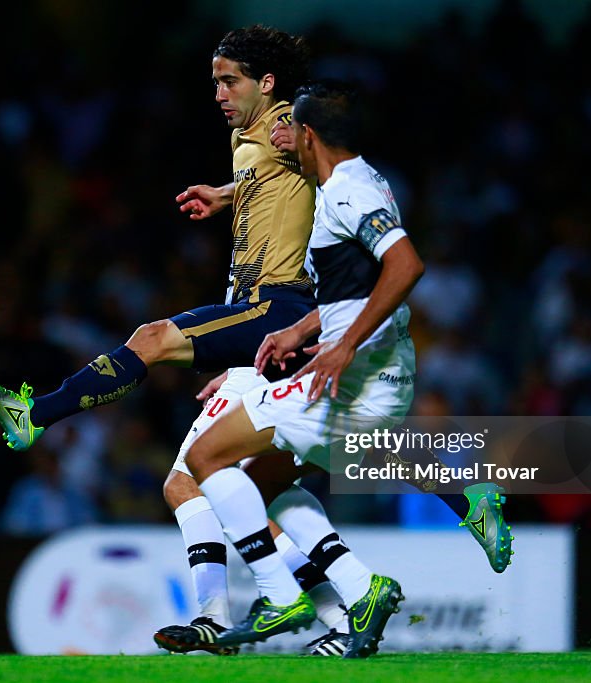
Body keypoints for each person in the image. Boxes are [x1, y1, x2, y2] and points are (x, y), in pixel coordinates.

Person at [0, 25, 354, 656]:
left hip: (282, 304)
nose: (220, 93)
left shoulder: (291, 120)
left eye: (230, 80)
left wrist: (311, 144)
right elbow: (276, 181)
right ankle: (232, 611)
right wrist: (227, 194)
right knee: (190, 480)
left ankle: (33, 416)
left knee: (152, 341)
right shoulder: (248, 137)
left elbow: (333, 162)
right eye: (214, 82)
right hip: (252, 310)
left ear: (267, 82)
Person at [184, 82, 423, 658]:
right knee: (264, 481)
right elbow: (354, 288)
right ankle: (361, 592)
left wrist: (342, 347)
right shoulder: (359, 181)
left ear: (308, 135)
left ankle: (279, 594)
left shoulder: (344, 193)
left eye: (290, 126)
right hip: (363, 377)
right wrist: (302, 330)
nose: (280, 134)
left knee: (206, 459)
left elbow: (405, 265)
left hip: (357, 383)